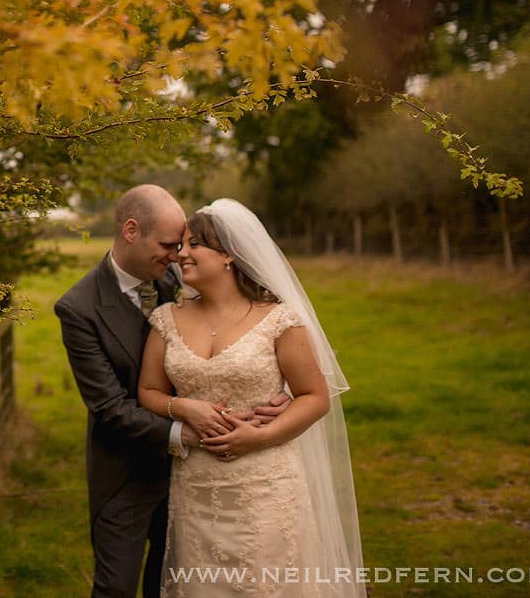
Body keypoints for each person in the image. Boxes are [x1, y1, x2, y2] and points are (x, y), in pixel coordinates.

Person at [138, 200, 363, 596]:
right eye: (181, 246)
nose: (181, 254)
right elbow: (148, 392)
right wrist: (183, 406)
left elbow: (314, 396)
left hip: (266, 486)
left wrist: (258, 437)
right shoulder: (166, 318)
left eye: (194, 245)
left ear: (227, 254)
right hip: (196, 490)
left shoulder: (278, 319)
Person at [54, 184, 193, 597]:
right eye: (168, 245)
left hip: (190, 473)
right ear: (131, 231)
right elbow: (110, 407)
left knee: (171, 585)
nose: (177, 256)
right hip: (123, 475)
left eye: (180, 245)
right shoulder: (78, 308)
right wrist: (181, 434)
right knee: (115, 588)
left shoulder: (182, 283)